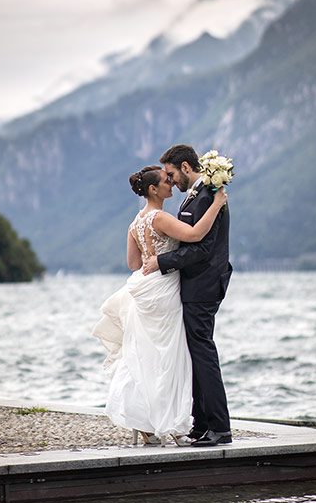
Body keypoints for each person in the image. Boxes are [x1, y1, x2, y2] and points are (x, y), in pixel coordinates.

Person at [92, 164, 227, 444]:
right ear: (153, 189)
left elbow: (132, 263)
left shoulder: (135, 222)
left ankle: (146, 423)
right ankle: (174, 424)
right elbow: (194, 236)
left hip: (144, 288)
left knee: (145, 356)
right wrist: (216, 204)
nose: (171, 183)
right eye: (166, 181)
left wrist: (151, 255)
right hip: (164, 290)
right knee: (170, 356)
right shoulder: (159, 218)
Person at [142, 143, 233, 446]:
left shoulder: (208, 195)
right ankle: (202, 424)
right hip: (195, 285)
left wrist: (162, 262)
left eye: (170, 173)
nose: (169, 180)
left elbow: (203, 248)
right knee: (196, 355)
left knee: (203, 354)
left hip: (204, 286)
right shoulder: (199, 195)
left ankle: (220, 427)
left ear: (184, 167)